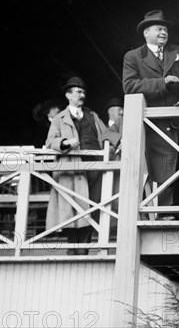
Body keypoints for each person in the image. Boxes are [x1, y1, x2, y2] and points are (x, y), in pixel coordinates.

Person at [122, 10, 179, 218]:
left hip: (176, 123)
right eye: (158, 28)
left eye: (165, 29)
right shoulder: (133, 56)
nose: (163, 32)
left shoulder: (177, 52)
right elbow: (129, 86)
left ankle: (173, 214)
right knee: (151, 170)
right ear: (146, 33)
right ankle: (154, 215)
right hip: (149, 125)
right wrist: (161, 83)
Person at [46, 77, 107, 254]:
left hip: (94, 169)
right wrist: (64, 143)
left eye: (83, 92)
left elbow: (105, 136)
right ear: (68, 95)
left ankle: (85, 250)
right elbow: (50, 141)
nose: (82, 95)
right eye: (78, 92)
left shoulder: (92, 115)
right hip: (72, 170)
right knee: (71, 210)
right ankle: (72, 250)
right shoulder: (59, 118)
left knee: (93, 208)